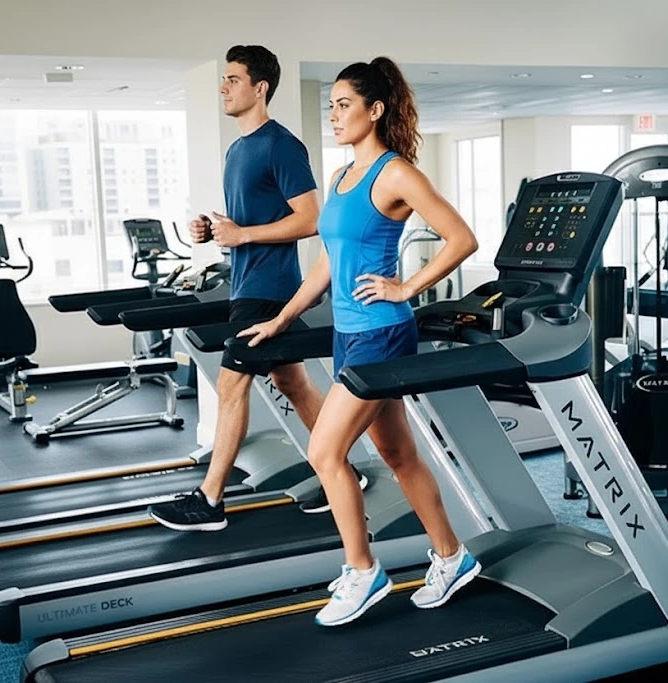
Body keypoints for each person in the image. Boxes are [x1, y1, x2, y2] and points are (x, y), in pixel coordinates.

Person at [237, 57, 481, 626]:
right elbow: (327, 264)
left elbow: (461, 238)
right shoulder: (343, 176)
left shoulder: (395, 174)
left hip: (382, 333)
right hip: (350, 335)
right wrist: (282, 319)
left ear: (375, 110)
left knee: (325, 452)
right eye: (331, 106)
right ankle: (453, 557)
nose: (334, 115)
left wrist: (407, 287)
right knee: (397, 454)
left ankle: (363, 570)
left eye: (344, 105)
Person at [148, 45, 365, 532]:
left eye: (233, 79)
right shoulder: (237, 149)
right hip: (246, 283)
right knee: (292, 381)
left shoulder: (280, 145)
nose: (223, 88)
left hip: (270, 288)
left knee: (231, 383)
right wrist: (215, 230)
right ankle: (343, 470)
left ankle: (210, 500)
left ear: (260, 87)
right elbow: (252, 221)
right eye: (223, 80)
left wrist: (243, 235)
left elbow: (310, 219)